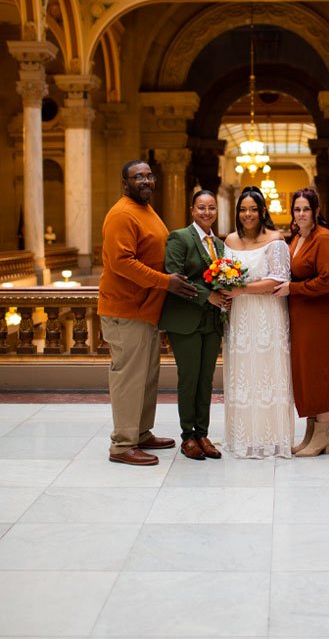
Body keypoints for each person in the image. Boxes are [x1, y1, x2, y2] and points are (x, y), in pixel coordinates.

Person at [98, 160, 197, 466]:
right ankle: (122, 444)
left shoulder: (144, 210)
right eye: (137, 177)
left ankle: (140, 433)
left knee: (145, 376)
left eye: (149, 176)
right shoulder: (121, 214)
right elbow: (122, 262)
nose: (145, 181)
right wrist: (165, 282)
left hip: (147, 310)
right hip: (126, 309)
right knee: (129, 377)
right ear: (124, 183)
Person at [220, 186, 294, 459]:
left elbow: (279, 279)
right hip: (240, 316)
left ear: (263, 211)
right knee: (242, 372)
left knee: (267, 371)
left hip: (268, 315)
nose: (247, 214)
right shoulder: (229, 241)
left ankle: (272, 437)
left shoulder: (276, 240)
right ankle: (244, 437)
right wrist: (227, 291)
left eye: (253, 209)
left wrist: (241, 290)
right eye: (243, 209)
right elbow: (224, 276)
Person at [159, 190, 229, 461]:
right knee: (189, 379)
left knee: (206, 380)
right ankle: (187, 436)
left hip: (211, 322)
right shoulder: (180, 238)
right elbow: (174, 278)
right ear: (192, 210)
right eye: (201, 207)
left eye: (211, 208)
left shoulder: (219, 245)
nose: (206, 213)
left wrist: (226, 294)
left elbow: (222, 277)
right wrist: (207, 295)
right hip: (185, 320)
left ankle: (203, 433)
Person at [273, 188, 329, 457]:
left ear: (316, 212)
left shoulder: (323, 238)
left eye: (306, 209)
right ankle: (311, 434)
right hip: (303, 316)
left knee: (320, 374)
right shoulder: (298, 237)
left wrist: (293, 288)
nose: (301, 214)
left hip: (321, 315)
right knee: (307, 374)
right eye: (297, 209)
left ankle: (323, 435)